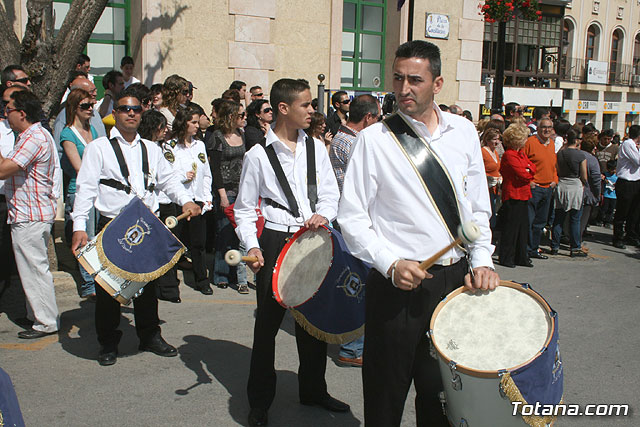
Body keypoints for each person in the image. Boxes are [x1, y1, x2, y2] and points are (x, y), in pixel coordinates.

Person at [338, 40, 499, 427]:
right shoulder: (375, 140)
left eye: (415, 80)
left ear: (437, 83)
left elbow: (476, 208)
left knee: (442, 396)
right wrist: (390, 263)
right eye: (397, 79)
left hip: (452, 282)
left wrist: (482, 260)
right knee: (384, 396)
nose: (404, 89)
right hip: (396, 287)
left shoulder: (462, 132)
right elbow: (352, 218)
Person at [234, 78, 347, 427]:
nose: (313, 110)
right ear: (284, 108)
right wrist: (251, 245)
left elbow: (330, 194)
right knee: (266, 326)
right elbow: (243, 208)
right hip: (274, 240)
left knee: (312, 322)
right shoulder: (257, 155)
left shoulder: (316, 147)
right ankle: (260, 402)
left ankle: (313, 389)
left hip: (312, 238)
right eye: (306, 105)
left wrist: (323, 214)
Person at [71, 88, 201, 366]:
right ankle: (108, 342)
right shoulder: (98, 148)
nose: (131, 113)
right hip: (114, 224)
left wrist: (187, 201)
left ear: (142, 113)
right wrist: (79, 227)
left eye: (136, 109)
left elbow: (169, 183)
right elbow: (85, 190)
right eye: (124, 109)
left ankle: (150, 335)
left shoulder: (152, 149)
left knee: (148, 285)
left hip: (148, 222)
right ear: (114, 113)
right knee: (108, 289)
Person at [0, 90, 60, 339]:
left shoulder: (33, 137)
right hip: (30, 213)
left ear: (22, 113)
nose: (6, 114)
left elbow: (3, 170)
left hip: (30, 214)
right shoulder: (32, 135)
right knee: (31, 268)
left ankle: (46, 322)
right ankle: (37, 315)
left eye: (9, 109)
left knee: (34, 269)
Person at [327, 94, 380, 367]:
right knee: (358, 284)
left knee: (355, 282)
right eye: (378, 118)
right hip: (353, 219)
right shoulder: (353, 142)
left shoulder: (342, 138)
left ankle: (352, 344)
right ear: (369, 117)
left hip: (346, 217)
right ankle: (352, 348)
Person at [163, 105, 213, 295]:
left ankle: (202, 280)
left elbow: (206, 173)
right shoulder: (170, 146)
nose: (196, 125)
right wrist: (184, 176)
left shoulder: (199, 145)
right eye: (193, 122)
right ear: (183, 123)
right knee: (174, 244)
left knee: (198, 244)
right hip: (178, 203)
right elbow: (167, 176)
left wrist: (206, 198)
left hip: (197, 201)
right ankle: (169, 286)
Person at [59, 88, 100, 298]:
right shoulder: (68, 133)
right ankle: (88, 285)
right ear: (74, 107)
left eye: (91, 105)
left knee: (97, 238)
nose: (90, 109)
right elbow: (80, 167)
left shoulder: (92, 130)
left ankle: (98, 280)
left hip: (98, 191)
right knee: (86, 237)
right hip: (80, 190)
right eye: (85, 106)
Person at [210, 101, 248, 293]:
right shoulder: (217, 137)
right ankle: (221, 274)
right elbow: (215, 169)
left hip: (242, 191)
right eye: (240, 115)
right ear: (230, 116)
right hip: (225, 191)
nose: (244, 118)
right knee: (224, 232)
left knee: (239, 235)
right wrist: (222, 195)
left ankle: (237, 273)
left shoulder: (242, 135)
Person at [498, 124, 536, 267]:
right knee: (511, 228)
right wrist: (527, 171)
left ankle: (521, 257)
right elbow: (523, 173)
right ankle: (507, 257)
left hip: (523, 194)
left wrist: (527, 171)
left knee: (522, 227)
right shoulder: (509, 155)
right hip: (513, 194)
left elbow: (531, 168)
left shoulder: (521, 154)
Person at [549, 129, 587, 257]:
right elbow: (584, 176)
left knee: (558, 218)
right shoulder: (581, 155)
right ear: (576, 140)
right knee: (575, 218)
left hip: (562, 184)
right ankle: (575, 247)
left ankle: (554, 246)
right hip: (575, 185)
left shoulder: (560, 154)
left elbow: (557, 169)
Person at [523, 117, 557, 259]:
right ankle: (526, 250)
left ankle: (534, 249)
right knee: (529, 221)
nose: (546, 130)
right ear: (538, 128)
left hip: (548, 188)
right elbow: (523, 162)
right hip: (534, 188)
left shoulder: (552, 144)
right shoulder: (530, 142)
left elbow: (553, 165)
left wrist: (555, 180)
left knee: (540, 223)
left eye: (549, 127)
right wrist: (529, 181)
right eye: (544, 127)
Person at [612, 124, 640, 249]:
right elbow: (637, 161)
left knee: (634, 212)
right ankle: (618, 237)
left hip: (636, 181)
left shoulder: (635, 146)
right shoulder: (628, 144)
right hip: (626, 181)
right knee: (622, 211)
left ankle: (631, 234)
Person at [579, 135, 601, 247]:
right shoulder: (592, 159)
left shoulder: (576, 155)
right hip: (587, 193)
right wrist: (597, 194)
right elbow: (596, 178)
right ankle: (577, 241)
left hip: (575, 191)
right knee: (582, 220)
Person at [481, 128, 502, 229]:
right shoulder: (483, 152)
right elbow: (479, 171)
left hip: (495, 188)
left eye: (498, 139)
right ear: (487, 140)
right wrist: (488, 177)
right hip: (486, 188)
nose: (497, 142)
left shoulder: (495, 152)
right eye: (494, 139)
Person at [599, 160, 617, 228]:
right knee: (604, 208)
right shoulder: (605, 175)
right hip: (606, 194)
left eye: (614, 169)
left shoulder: (617, 176)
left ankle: (608, 221)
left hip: (614, 196)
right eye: (611, 169)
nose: (613, 171)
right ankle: (601, 219)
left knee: (611, 209)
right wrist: (604, 180)